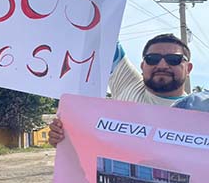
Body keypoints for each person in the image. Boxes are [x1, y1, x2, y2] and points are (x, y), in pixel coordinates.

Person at [49, 33, 193, 146]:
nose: (162, 65)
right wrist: (65, 140)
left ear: (188, 68)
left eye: (173, 59)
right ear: (142, 66)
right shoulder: (128, 83)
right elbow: (103, 31)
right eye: (152, 58)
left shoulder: (198, 114)